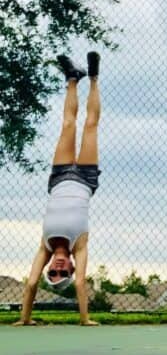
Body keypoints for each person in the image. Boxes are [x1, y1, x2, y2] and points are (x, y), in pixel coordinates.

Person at [14, 53, 102, 327]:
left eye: (52, 274)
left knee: (67, 124)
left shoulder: (45, 245)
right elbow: (82, 283)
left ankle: (73, 79)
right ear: (70, 269)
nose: (57, 271)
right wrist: (84, 319)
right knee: (89, 126)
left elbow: (29, 283)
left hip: (60, 178)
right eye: (61, 275)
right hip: (86, 179)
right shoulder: (80, 245)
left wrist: (24, 320)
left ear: (50, 266)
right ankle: (95, 77)